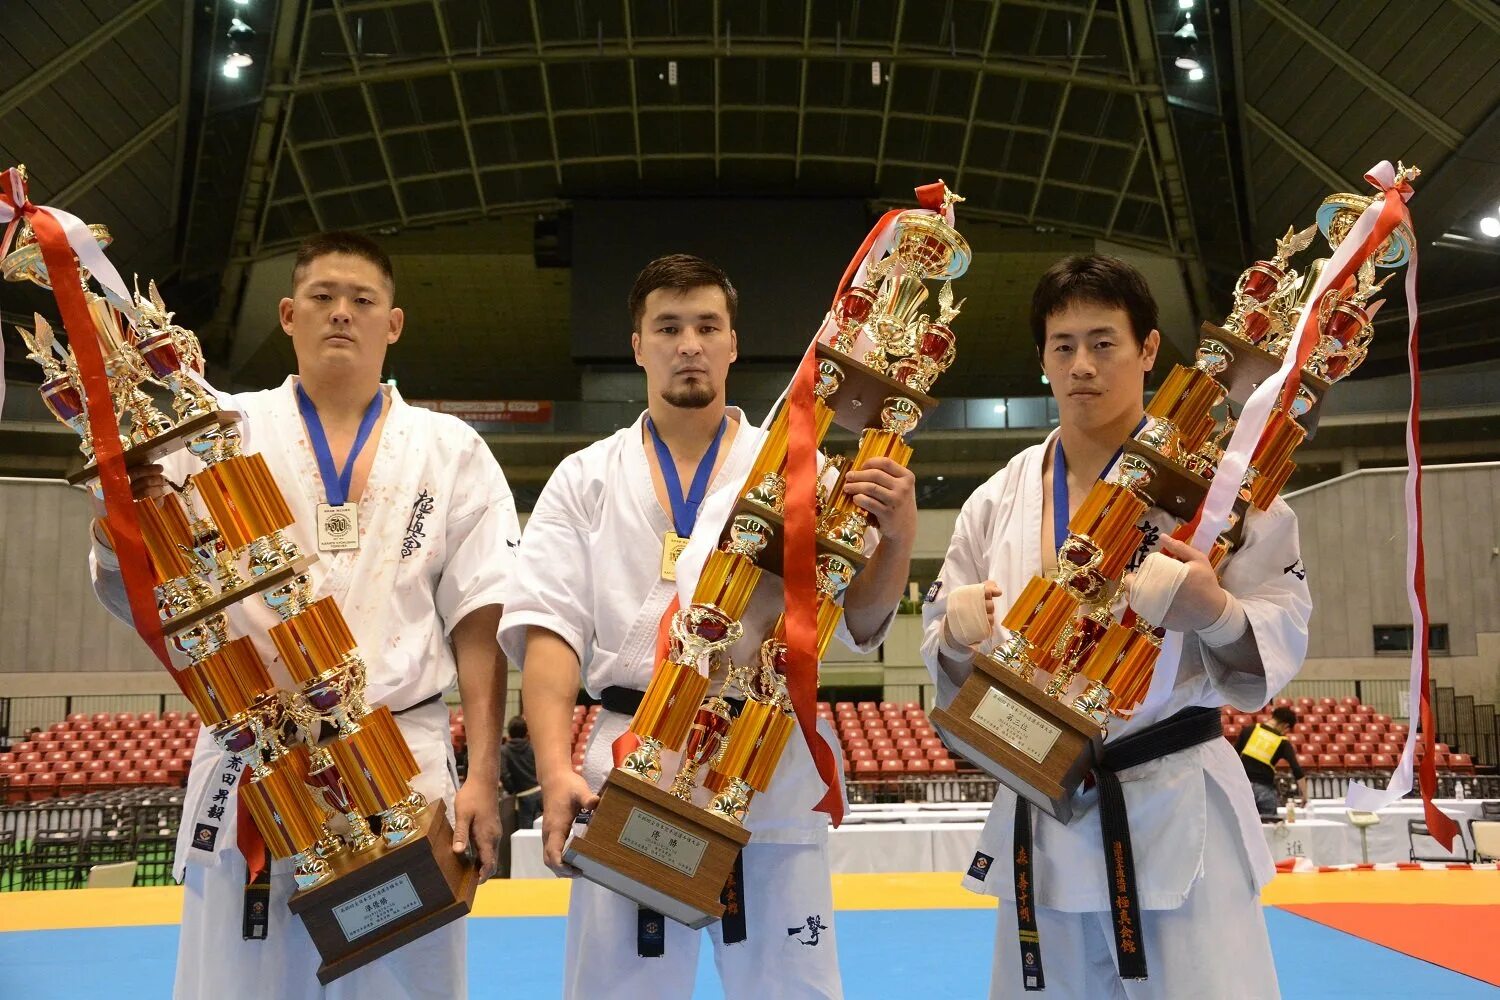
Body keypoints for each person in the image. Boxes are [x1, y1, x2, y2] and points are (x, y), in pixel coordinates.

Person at [89, 231, 519, 999]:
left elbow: (480, 625)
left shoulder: (450, 449)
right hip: (255, 750)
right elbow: (150, 600)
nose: (341, 314)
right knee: (241, 980)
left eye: (363, 301)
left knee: (401, 982)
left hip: (404, 756)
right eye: (322, 297)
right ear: (288, 315)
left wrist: (482, 773)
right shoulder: (213, 430)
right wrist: (123, 525)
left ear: (394, 324)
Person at [498, 254, 918, 1000]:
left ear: (732, 344)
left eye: (705, 326)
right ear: (637, 346)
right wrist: (557, 767)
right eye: (667, 327)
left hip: (768, 757)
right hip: (629, 761)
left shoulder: (803, 470)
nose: (687, 343)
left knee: (794, 990)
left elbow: (859, 624)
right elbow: (550, 631)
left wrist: (898, 538)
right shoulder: (585, 477)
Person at [921, 255, 1311, 999]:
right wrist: (953, 641)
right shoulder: (994, 501)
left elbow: (1282, 632)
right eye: (1063, 346)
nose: (1082, 366)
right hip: (1040, 797)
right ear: (1041, 358)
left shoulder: (1223, 488)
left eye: (1104, 343)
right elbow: (947, 668)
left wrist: (1217, 613)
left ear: (1149, 351)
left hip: (1175, 804)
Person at [1236, 707, 1309, 817]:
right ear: (1286, 726)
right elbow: (1297, 770)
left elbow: (1233, 757)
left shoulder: (1250, 729)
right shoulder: (1283, 742)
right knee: (1268, 829)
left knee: (1243, 825)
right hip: (1264, 790)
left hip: (1242, 788)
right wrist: (1304, 795)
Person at [501, 714, 542, 831]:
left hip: (523, 796)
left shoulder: (505, 750)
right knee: (540, 830)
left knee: (526, 833)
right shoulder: (532, 747)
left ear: (509, 732)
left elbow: (504, 774)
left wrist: (511, 790)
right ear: (526, 732)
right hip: (540, 793)